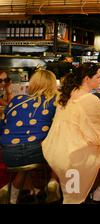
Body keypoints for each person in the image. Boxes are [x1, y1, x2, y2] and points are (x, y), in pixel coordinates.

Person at [42, 63, 100, 204]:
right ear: (87, 78)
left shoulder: (66, 95)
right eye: (98, 77)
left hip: (54, 151)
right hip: (76, 154)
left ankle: (54, 180)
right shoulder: (91, 99)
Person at [0, 70, 59, 204]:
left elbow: (2, 127)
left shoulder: (16, 99)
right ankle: (53, 181)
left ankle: (12, 190)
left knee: (25, 153)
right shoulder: (55, 102)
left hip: (8, 154)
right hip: (37, 152)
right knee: (56, 144)